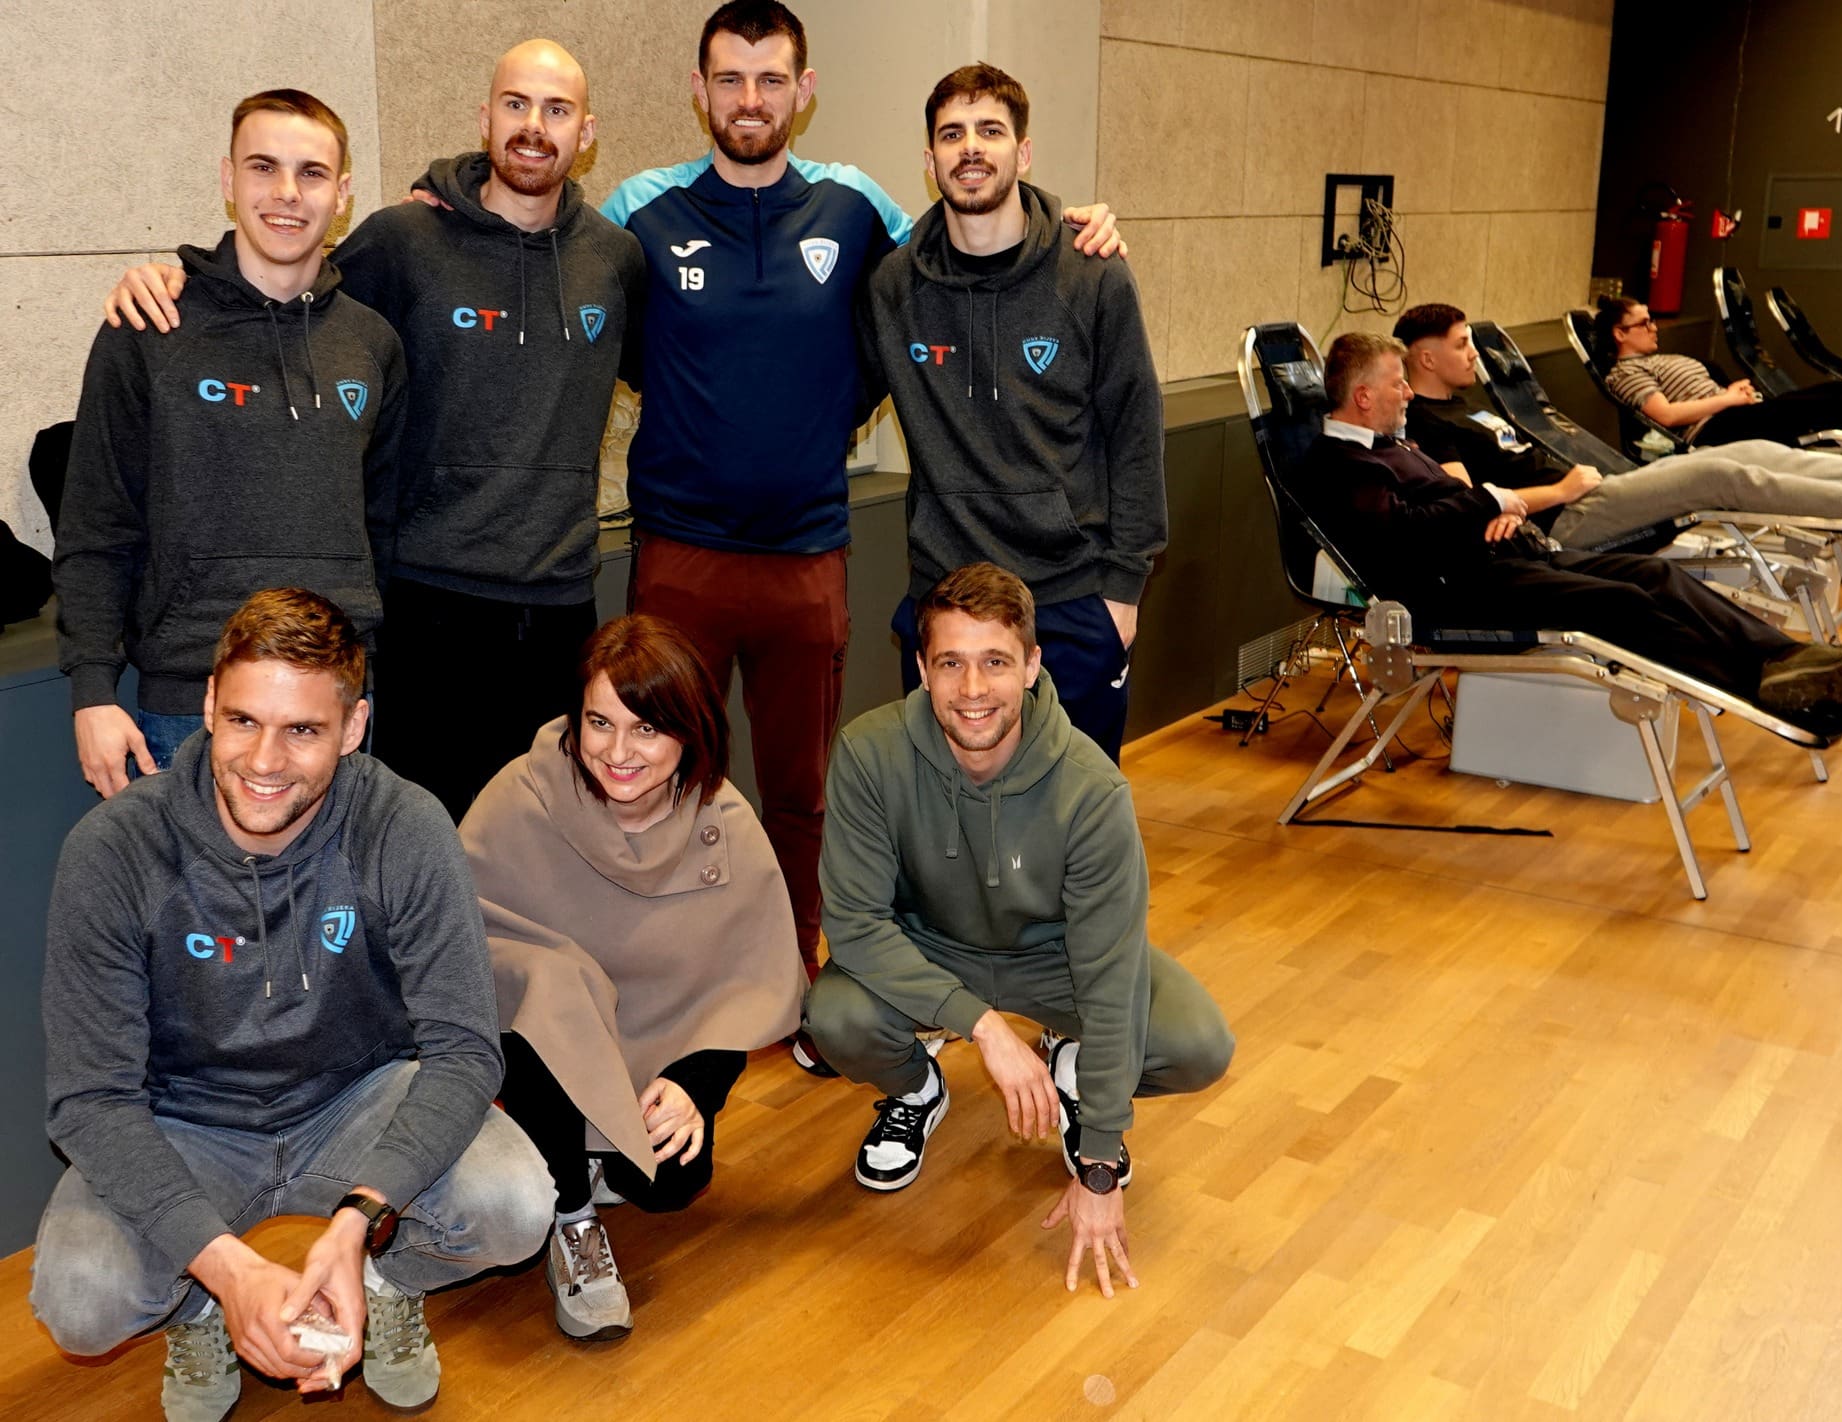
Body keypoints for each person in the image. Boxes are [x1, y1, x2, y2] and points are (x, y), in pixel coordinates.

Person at [599, 1, 1125, 989]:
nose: (749, 99)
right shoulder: (640, 207)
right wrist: (449, 190)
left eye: (770, 79)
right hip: (678, 553)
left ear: (803, 91)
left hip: (808, 554)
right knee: (662, 774)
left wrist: (1071, 220)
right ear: (699, 90)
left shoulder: (854, 207)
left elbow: (972, 240)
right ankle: (675, 977)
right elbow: (563, 276)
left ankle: (794, 969)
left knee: (801, 791)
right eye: (728, 78)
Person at [32, 588, 553, 1421]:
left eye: (303, 731)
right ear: (209, 704)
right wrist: (228, 1271)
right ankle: (201, 1309)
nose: (264, 760)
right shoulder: (115, 850)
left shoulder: (403, 825)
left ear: (352, 728)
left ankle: (380, 1284)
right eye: (243, 720)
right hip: (185, 1120)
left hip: (354, 1098)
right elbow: (90, 1100)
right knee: (81, 1301)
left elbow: (464, 1049)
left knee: (517, 1206)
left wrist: (359, 1226)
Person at [102, 42, 647, 821]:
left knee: (544, 833)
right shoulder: (403, 242)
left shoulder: (616, 260)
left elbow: (673, 372)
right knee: (417, 836)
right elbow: (289, 300)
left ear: (585, 132)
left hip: (561, 604)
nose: (534, 125)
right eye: (516, 103)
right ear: (485, 117)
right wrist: (179, 281)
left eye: (556, 109)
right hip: (427, 604)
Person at [805, 563, 1234, 1297]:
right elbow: (855, 925)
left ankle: (1073, 1068)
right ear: (922, 669)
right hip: (930, 950)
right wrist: (983, 1028)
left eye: (996, 662)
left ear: (1033, 666)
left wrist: (1099, 1163)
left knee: (1198, 1046)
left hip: (1056, 962)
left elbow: (1109, 974)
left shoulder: (1090, 789)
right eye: (951, 663)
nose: (973, 689)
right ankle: (915, 1091)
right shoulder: (870, 754)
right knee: (834, 1016)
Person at [1285, 333, 1842, 735]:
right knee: (1621, 605)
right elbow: (1400, 534)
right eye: (1396, 383)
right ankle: (1796, 701)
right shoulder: (1341, 463)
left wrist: (1495, 510)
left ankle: (1794, 660)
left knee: (1656, 574)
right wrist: (1487, 501)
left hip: (1499, 557)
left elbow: (1444, 506)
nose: (1406, 393)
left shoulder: (1392, 446)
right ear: (1362, 397)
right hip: (1453, 592)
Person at [459, 615, 805, 1341]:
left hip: (649, 1047)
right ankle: (571, 1215)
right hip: (542, 1045)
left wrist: (696, 1086)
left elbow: (746, 980)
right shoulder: (521, 796)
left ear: (690, 731)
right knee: (544, 978)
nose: (618, 753)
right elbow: (458, 947)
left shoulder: (723, 820)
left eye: (647, 729)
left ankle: (599, 1158)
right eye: (599, 723)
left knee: (671, 1185)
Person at [58, 90, 405, 800]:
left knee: (337, 880)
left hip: (332, 701)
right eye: (263, 167)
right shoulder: (151, 327)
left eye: (312, 173)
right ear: (228, 179)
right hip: (190, 703)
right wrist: (93, 690)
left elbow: (383, 524)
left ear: (342, 195)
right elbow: (97, 523)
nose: (287, 193)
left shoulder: (372, 344)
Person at [861, 64, 1166, 762]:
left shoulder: (1092, 271)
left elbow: (1136, 431)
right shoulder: (893, 286)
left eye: (990, 130)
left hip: (1070, 599)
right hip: (945, 600)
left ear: (1022, 152)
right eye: (952, 134)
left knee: (1076, 806)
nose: (970, 147)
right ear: (930, 161)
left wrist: (1122, 593)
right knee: (945, 810)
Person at [1394, 303, 1842, 546]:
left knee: (1758, 454)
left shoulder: (1467, 406)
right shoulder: (1425, 421)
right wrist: (1561, 490)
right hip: (1564, 518)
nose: (1473, 354)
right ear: (1426, 358)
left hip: (1591, 492)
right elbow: (1465, 503)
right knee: (1722, 475)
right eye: (1461, 345)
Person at [1592, 294, 1842, 447]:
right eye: (1644, 323)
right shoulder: (1623, 373)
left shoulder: (1658, 360)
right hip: (1714, 432)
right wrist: (1727, 399)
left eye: (1652, 320)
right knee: (1827, 405)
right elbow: (1664, 415)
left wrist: (1733, 392)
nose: (1654, 328)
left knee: (1835, 393)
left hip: (1733, 414)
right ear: (1619, 334)